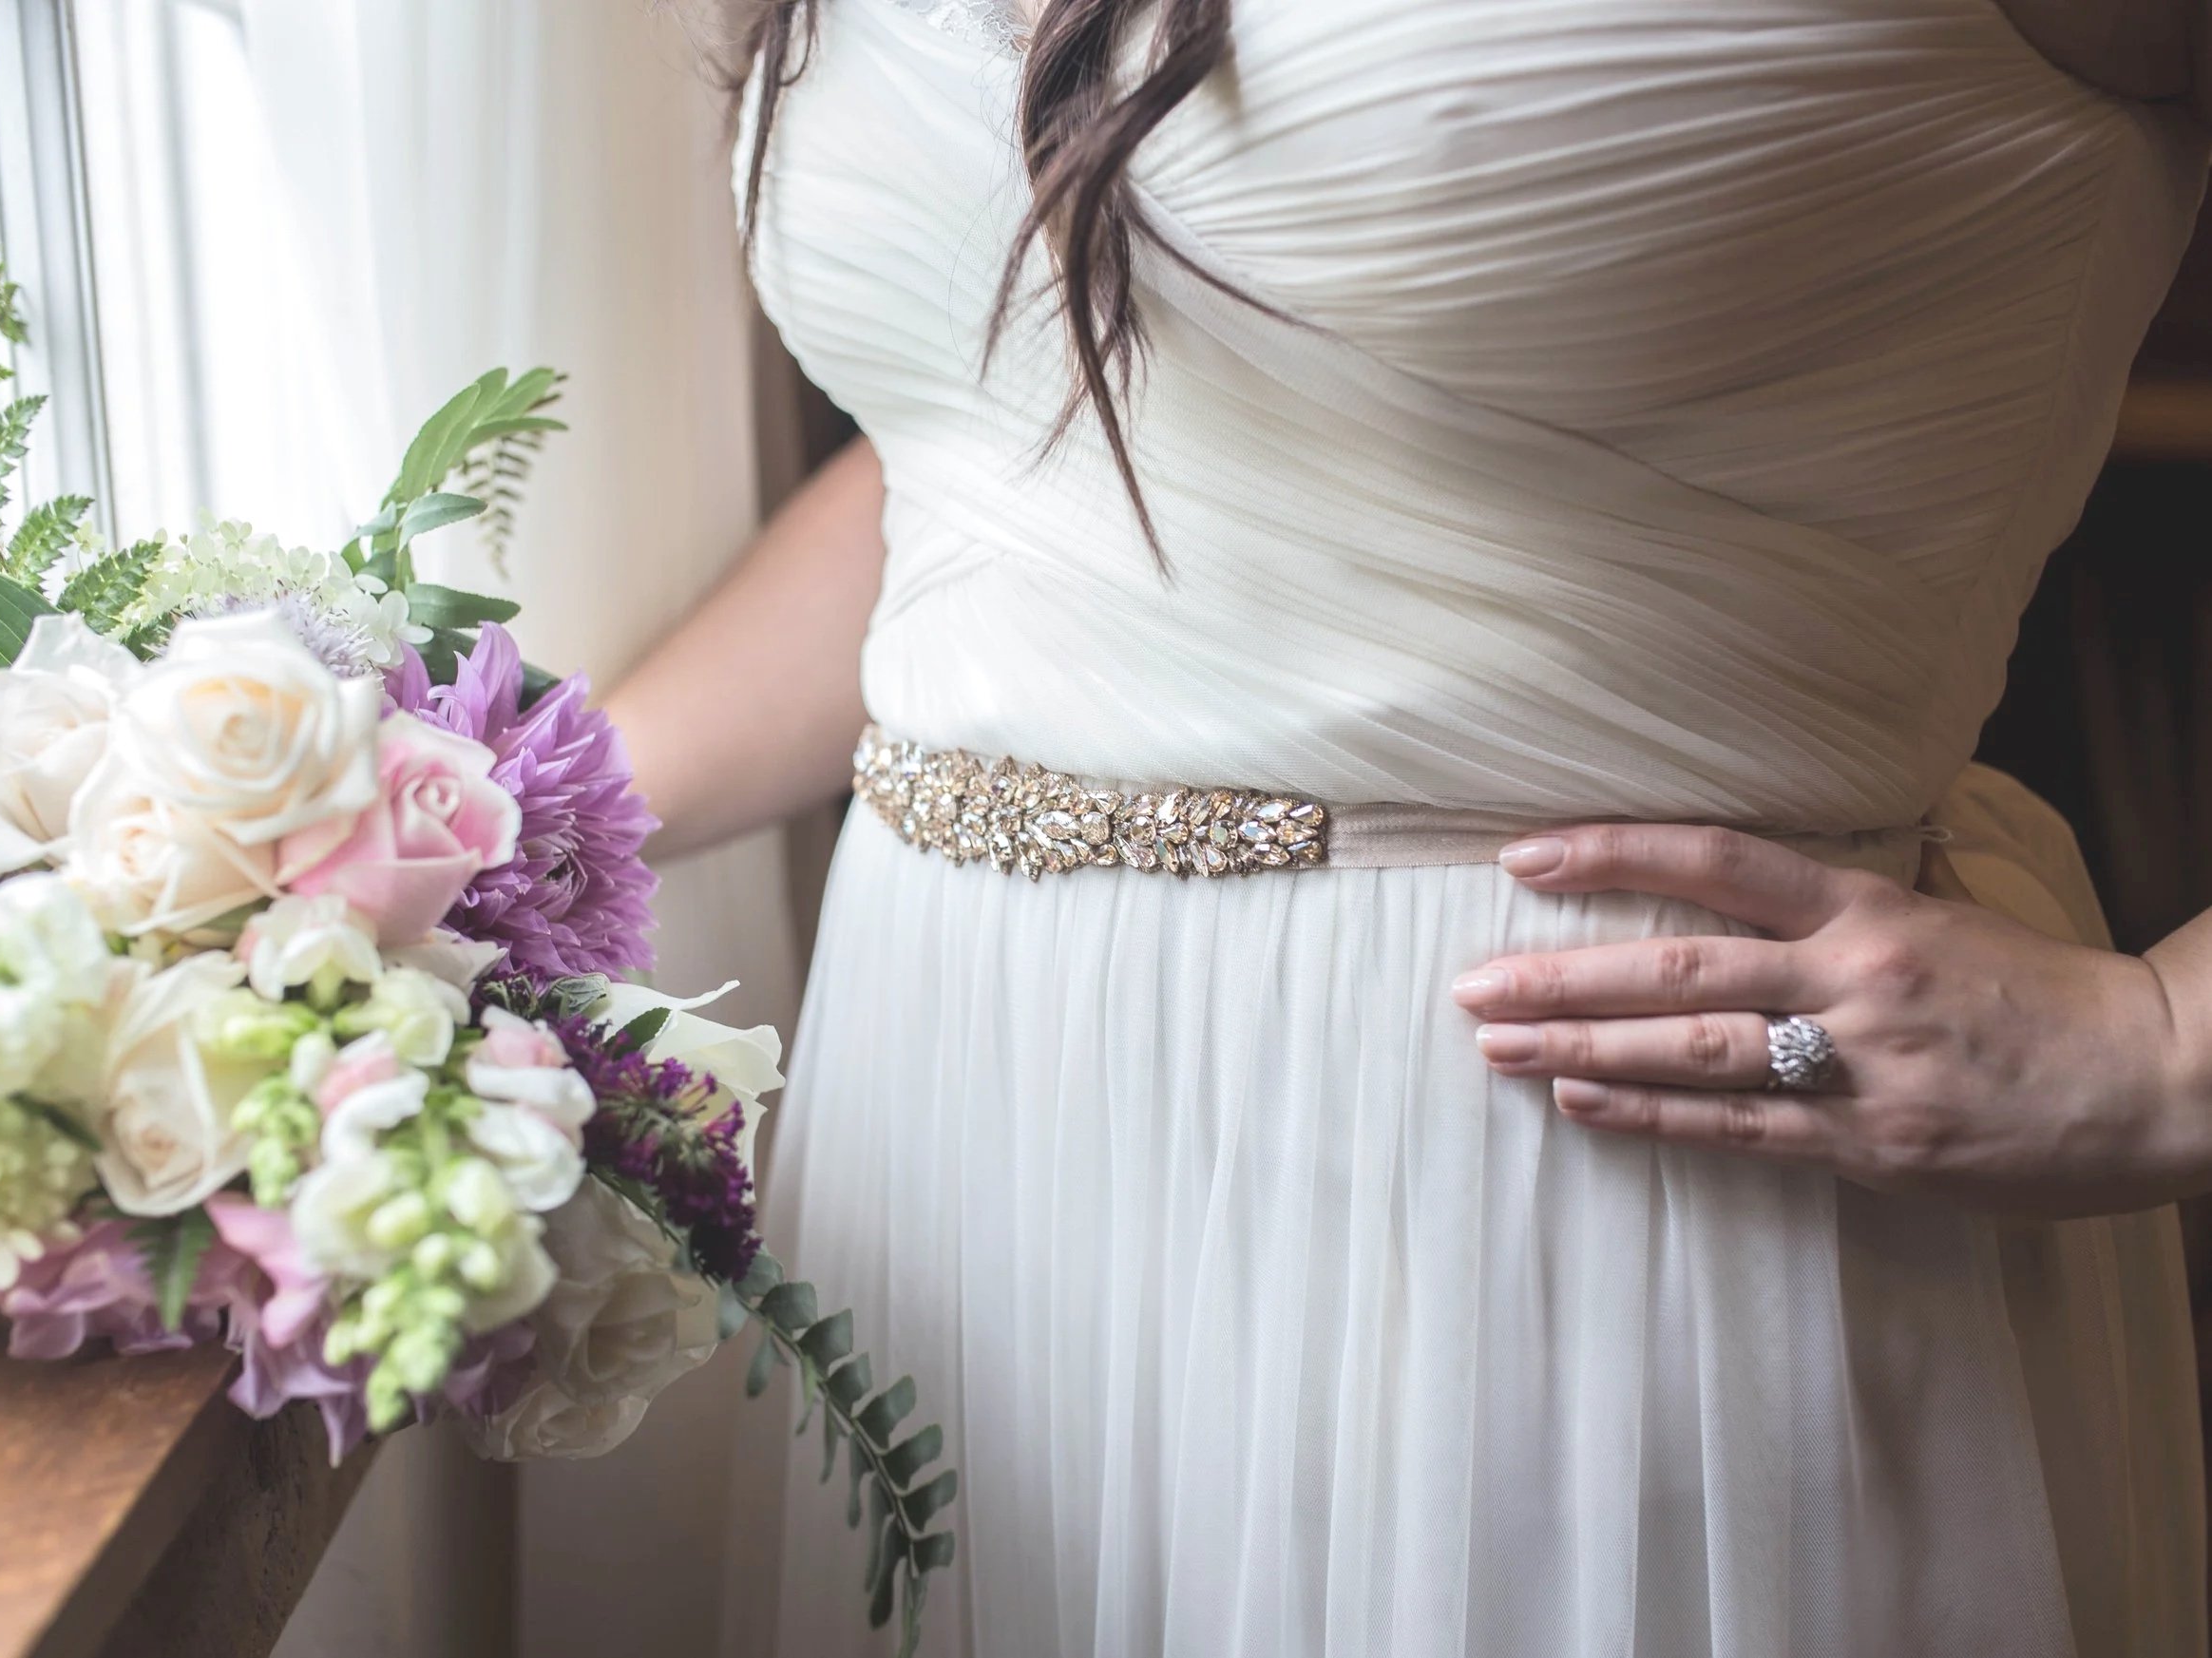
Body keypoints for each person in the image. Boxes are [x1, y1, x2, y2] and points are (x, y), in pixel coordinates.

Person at [607, 1, 2212, 1651]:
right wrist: (501, 826)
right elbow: (1022, 459)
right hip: (963, 1191)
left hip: (1580, 1233)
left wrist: (2165, 1048)